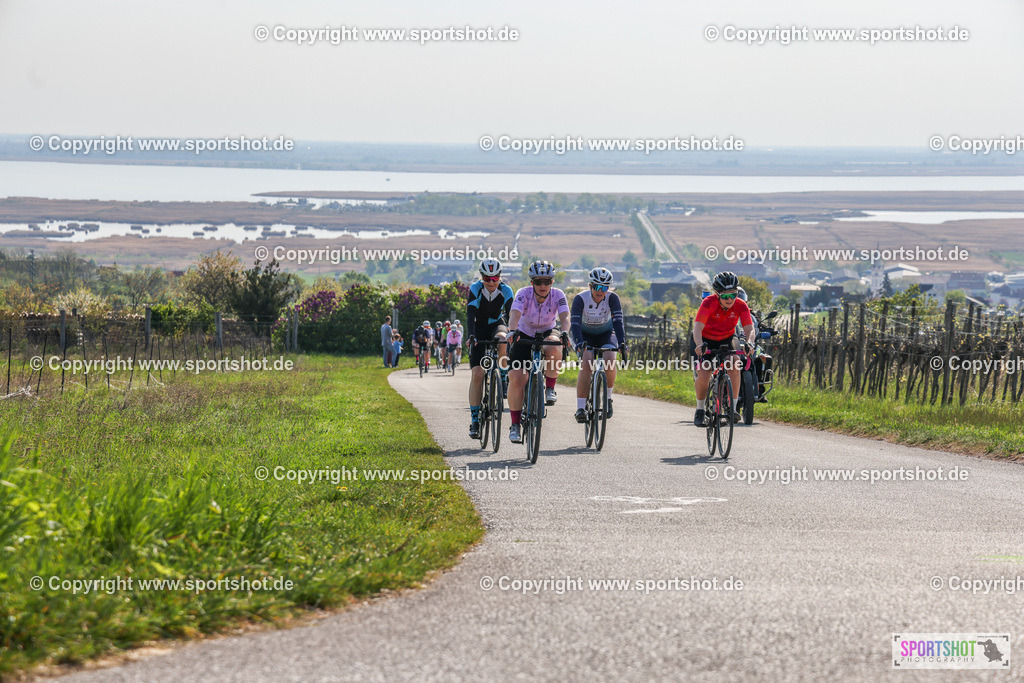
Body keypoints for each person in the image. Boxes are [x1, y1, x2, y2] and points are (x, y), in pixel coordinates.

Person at [506, 260, 571, 444]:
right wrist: (512, 330)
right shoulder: (523, 293)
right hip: (524, 333)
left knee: (554, 345)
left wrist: (565, 332)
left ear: (552, 281)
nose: (542, 285)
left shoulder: (558, 295)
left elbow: (565, 316)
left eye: (547, 281)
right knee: (517, 377)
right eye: (538, 281)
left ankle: (550, 388)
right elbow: (515, 314)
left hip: (548, 331)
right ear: (531, 282)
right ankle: (515, 424)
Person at [691, 271, 755, 426]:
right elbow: (697, 328)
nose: (730, 299)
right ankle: (700, 410)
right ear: (717, 294)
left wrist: (750, 343)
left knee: (734, 363)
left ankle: (732, 409)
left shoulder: (741, 305)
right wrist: (699, 345)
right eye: (725, 296)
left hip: (727, 338)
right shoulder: (708, 303)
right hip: (706, 340)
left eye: (733, 294)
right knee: (704, 372)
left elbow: (749, 329)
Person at [570, 267, 627, 423]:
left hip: (605, 333)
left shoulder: (612, 298)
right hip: (584, 334)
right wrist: (579, 342)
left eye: (604, 287)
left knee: (610, 359)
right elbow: (574, 323)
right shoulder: (580, 299)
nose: (600, 291)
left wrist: (622, 343)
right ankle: (581, 408)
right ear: (590, 286)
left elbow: (617, 322)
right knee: (587, 363)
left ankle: (608, 399)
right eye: (597, 286)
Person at [467, 258, 515, 439]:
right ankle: (474, 420)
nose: (491, 282)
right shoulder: (475, 289)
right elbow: (470, 314)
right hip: (478, 329)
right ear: (482, 277)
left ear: (500, 277)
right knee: (478, 374)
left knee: (503, 340)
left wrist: (513, 333)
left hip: (497, 325)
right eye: (487, 278)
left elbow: (511, 315)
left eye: (495, 278)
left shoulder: (506, 290)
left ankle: (503, 376)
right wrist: (471, 336)